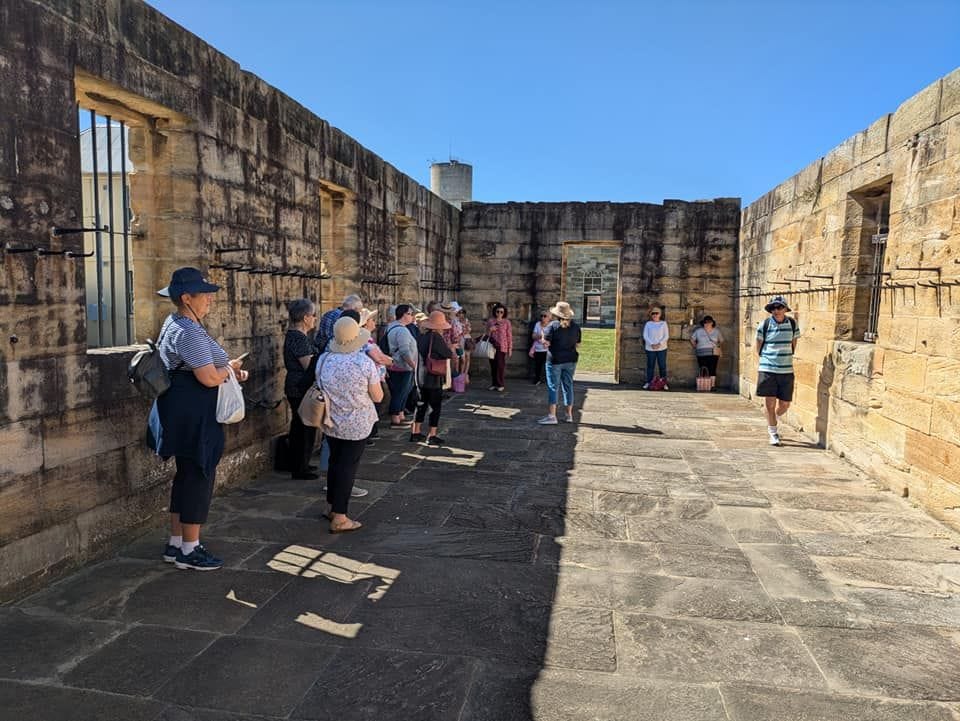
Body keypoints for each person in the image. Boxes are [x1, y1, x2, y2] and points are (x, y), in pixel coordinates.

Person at [155, 267, 248, 571]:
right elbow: (208, 377)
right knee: (199, 473)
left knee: (186, 474)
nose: (210, 299)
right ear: (186, 297)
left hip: (181, 408)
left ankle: (176, 542)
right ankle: (190, 550)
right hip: (196, 412)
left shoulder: (175, 323)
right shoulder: (189, 331)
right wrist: (229, 371)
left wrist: (226, 369)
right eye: (204, 294)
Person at [317, 317, 383, 532]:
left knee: (335, 462)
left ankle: (331, 507)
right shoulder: (363, 362)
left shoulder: (324, 359)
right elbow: (378, 396)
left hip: (331, 419)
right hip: (357, 423)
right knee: (348, 467)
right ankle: (340, 516)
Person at [756, 295, 800, 446]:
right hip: (768, 368)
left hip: (786, 369)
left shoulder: (793, 324)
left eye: (779, 307)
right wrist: (766, 359)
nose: (776, 310)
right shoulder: (765, 324)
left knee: (785, 404)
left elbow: (794, 343)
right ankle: (773, 432)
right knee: (770, 403)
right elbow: (758, 345)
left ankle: (772, 419)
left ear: (785, 309)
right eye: (773, 308)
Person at [283, 298, 319, 480]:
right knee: (303, 427)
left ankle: (301, 463)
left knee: (303, 427)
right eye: (313, 315)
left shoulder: (299, 336)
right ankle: (299, 467)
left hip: (298, 386)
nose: (314, 319)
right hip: (299, 387)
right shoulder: (297, 337)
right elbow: (308, 365)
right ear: (306, 318)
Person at [411, 310, 454, 446]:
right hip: (433, 377)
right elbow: (447, 354)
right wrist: (451, 348)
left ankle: (415, 432)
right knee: (435, 406)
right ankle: (432, 434)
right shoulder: (436, 338)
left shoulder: (421, 337)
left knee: (421, 404)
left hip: (421, 376)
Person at [537, 301, 581, 425]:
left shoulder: (552, 326)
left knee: (553, 387)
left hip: (555, 360)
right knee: (568, 386)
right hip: (571, 360)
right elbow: (578, 344)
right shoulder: (576, 327)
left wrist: (542, 337)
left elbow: (546, 343)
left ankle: (552, 416)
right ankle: (569, 415)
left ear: (556, 314)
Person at [384, 303, 419, 428]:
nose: (411, 316)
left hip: (399, 366)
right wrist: (413, 364)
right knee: (400, 392)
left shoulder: (392, 327)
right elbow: (404, 350)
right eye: (410, 314)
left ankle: (400, 415)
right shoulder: (402, 330)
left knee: (403, 392)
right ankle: (395, 418)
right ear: (404, 315)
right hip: (402, 366)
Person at [690, 315, 723, 390]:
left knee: (712, 369)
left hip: (713, 353)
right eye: (705, 322)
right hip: (701, 353)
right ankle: (704, 385)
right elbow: (692, 339)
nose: (707, 324)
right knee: (703, 368)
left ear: (712, 323)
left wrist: (718, 346)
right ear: (703, 323)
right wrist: (696, 346)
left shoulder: (716, 331)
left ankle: (712, 385)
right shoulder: (698, 331)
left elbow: (721, 341)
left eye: (709, 322)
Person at [485, 303, 513, 391]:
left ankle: (500, 384)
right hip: (492, 346)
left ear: (504, 313)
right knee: (493, 365)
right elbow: (486, 335)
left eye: (502, 312)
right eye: (498, 311)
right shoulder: (491, 321)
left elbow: (509, 335)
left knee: (500, 365)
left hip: (502, 346)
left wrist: (510, 348)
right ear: (495, 312)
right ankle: (494, 383)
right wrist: (490, 330)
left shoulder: (506, 322)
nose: (499, 313)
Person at [642, 306, 669, 390]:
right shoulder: (648, 324)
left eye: (656, 313)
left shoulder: (663, 323)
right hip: (650, 348)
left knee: (662, 366)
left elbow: (666, 336)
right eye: (653, 313)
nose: (655, 315)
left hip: (662, 348)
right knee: (650, 366)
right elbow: (645, 335)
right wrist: (652, 344)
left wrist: (659, 344)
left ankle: (663, 382)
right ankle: (649, 382)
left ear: (660, 314)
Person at [530, 310, 551, 385]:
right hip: (538, 349)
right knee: (537, 366)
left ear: (549, 317)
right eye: (541, 316)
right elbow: (533, 336)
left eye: (545, 316)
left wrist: (542, 337)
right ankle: (537, 379)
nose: (542, 318)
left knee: (548, 366)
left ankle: (548, 380)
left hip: (547, 349)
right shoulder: (537, 324)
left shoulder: (551, 325)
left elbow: (552, 337)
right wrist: (541, 336)